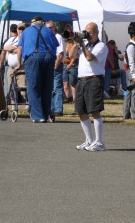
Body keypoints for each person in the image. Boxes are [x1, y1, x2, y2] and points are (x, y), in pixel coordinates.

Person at [73, 22, 108, 152]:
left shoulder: (101, 46)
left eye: (90, 32)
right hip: (82, 80)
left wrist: (82, 44)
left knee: (94, 110)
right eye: (86, 32)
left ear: (97, 32)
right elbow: (71, 55)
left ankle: (99, 142)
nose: (88, 34)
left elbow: (90, 57)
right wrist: (76, 42)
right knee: (81, 111)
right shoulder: (85, 45)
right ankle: (89, 140)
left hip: (94, 79)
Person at [19, 16, 58, 122]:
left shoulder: (26, 31)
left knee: (34, 87)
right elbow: (55, 45)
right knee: (47, 87)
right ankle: (46, 113)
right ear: (42, 23)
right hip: (49, 57)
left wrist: (19, 62)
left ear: (32, 23)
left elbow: (20, 47)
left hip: (33, 57)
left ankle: (38, 115)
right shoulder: (49, 31)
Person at [122, 25, 135, 121]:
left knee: (129, 92)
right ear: (133, 35)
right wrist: (134, 75)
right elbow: (131, 62)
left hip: (129, 71)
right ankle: (134, 114)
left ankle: (126, 113)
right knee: (134, 92)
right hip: (132, 72)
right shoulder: (131, 46)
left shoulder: (132, 45)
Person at [46, 21, 66, 118]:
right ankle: (51, 108)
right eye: (47, 28)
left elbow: (60, 53)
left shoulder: (58, 37)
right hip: (48, 64)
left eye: (50, 27)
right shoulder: (47, 37)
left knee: (57, 87)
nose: (48, 29)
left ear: (54, 28)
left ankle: (57, 109)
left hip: (55, 64)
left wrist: (55, 66)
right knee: (50, 88)